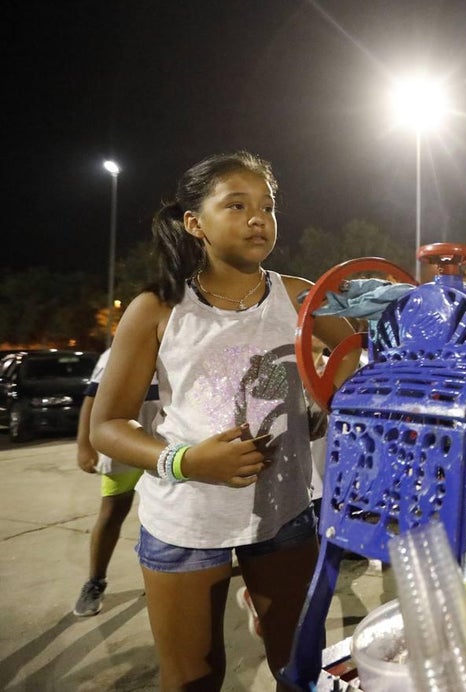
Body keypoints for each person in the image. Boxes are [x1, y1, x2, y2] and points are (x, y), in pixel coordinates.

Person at [90, 150, 359, 690]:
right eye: (236, 205)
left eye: (268, 206)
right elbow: (108, 425)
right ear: (195, 223)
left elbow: (352, 350)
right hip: (186, 523)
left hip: (284, 517)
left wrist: (320, 404)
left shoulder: (298, 295)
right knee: (194, 676)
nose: (258, 218)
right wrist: (186, 461)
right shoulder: (157, 307)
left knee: (299, 665)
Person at [72, 348, 160, 617]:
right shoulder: (117, 351)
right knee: (112, 514)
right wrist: (84, 446)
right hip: (123, 446)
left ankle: (161, 577)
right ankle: (95, 582)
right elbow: (92, 399)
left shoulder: (179, 341)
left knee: (164, 517)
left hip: (163, 445)